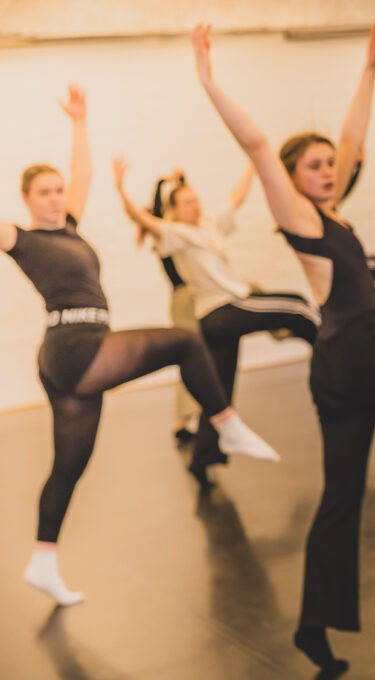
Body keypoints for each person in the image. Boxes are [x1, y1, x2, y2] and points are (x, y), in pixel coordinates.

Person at [191, 22, 375, 674]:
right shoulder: (299, 217)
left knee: (341, 501)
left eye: (331, 164)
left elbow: (353, 138)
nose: (329, 170)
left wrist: (371, 68)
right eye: (315, 166)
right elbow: (257, 144)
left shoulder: (330, 211)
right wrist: (208, 80)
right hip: (366, 358)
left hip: (335, 373)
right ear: (293, 179)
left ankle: (313, 630)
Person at [0, 85, 279, 607]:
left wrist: (79, 123)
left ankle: (42, 561)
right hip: (72, 345)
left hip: (79, 352)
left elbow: (83, 175)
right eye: (44, 193)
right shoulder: (21, 239)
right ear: (26, 199)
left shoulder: (70, 228)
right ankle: (227, 426)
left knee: (69, 466)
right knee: (185, 341)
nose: (55, 198)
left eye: (58, 190)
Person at [113, 157, 321, 487]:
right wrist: (121, 190)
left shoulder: (210, 224)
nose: (195, 205)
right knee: (296, 307)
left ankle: (204, 456)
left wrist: (254, 160)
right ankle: (333, 364)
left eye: (196, 199)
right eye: (187, 202)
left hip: (224, 315)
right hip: (221, 310)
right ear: (174, 210)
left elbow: (236, 198)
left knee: (219, 389)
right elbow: (144, 218)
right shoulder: (176, 234)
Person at [149, 170, 202, 445]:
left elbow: (182, 202)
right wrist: (161, 183)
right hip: (183, 301)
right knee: (191, 357)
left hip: (199, 296)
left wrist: (181, 183)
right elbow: (160, 211)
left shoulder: (185, 233)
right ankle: (183, 420)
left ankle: (192, 417)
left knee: (202, 356)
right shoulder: (165, 237)